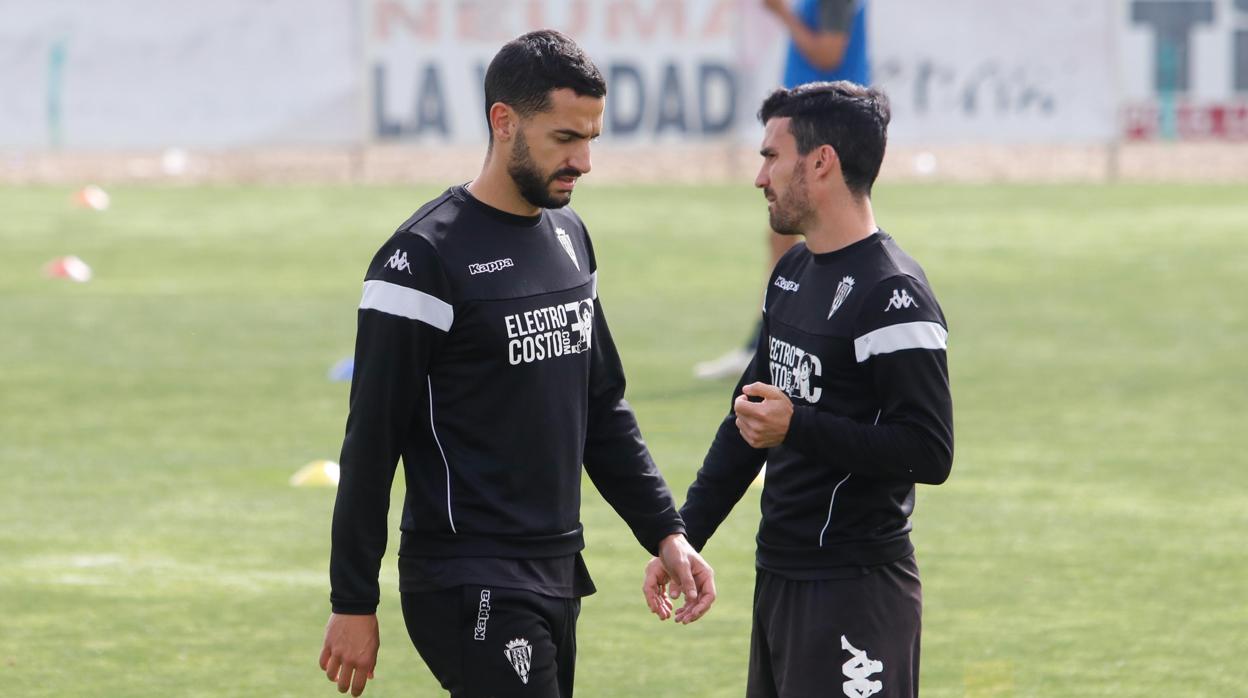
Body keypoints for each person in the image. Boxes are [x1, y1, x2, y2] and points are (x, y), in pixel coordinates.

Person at [319, 30, 715, 698]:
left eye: (591, 137)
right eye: (565, 138)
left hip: (558, 568)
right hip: (465, 576)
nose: (584, 160)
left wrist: (666, 533)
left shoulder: (570, 237)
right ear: (504, 122)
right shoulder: (420, 261)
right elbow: (371, 440)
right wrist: (352, 599)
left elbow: (601, 407)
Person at [646, 82, 953, 698]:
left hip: (856, 590)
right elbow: (748, 419)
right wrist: (684, 535)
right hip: (781, 580)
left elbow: (928, 450)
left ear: (821, 162)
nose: (760, 176)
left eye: (771, 156)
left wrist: (800, 427)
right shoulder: (792, 272)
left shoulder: (893, 297)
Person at [694, 0, 871, 380]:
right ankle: (770, 343)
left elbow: (828, 52)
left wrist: (781, 14)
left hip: (824, 128)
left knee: (818, 237)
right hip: (822, 126)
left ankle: (778, 344)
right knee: (788, 236)